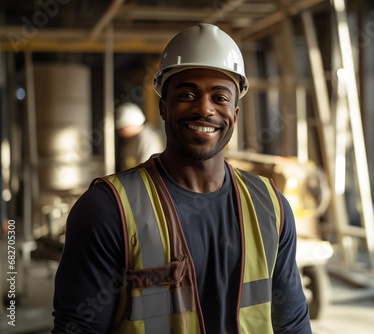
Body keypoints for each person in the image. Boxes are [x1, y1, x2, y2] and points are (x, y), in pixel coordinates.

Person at [52, 23, 312, 334]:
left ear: (235, 114)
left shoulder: (271, 206)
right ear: (163, 106)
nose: (204, 108)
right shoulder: (108, 209)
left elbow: (292, 324)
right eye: (187, 94)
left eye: (220, 97)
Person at [115, 102, 165, 171]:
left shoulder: (148, 137)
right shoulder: (130, 140)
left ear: (130, 124)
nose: (120, 131)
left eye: (122, 128)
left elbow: (145, 171)